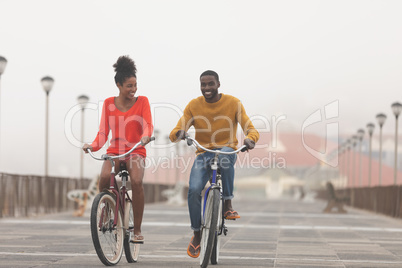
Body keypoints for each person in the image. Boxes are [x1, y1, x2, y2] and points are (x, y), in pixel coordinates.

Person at [169, 70, 259, 258]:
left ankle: (227, 203)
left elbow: (249, 127)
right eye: (203, 84)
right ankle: (196, 234)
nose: (207, 88)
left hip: (226, 149)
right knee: (194, 190)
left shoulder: (234, 103)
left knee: (226, 158)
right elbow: (177, 129)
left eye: (210, 84)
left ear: (219, 84)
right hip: (203, 153)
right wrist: (179, 133)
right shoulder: (194, 106)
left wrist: (250, 139)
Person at [82, 55, 153, 243]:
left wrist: (145, 136)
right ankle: (107, 208)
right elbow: (103, 133)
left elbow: (148, 125)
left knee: (136, 181)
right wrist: (93, 145)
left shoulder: (143, 101)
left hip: (136, 150)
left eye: (135, 85)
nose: (134, 89)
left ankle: (137, 230)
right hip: (115, 151)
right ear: (119, 85)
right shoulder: (108, 104)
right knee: (105, 177)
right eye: (129, 85)